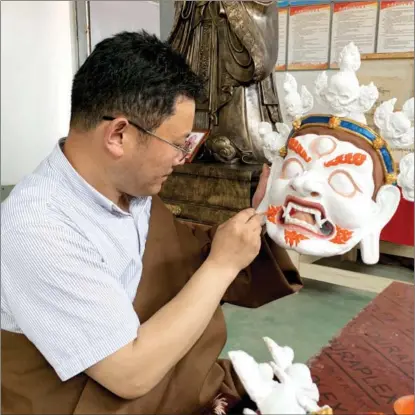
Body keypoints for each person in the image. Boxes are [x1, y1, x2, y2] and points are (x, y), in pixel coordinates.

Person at [1, 31, 302, 414]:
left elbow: (172, 255)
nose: (182, 158)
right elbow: (130, 374)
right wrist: (223, 264)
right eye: (178, 144)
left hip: (173, 382)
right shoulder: (37, 229)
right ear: (119, 135)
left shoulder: (129, 187)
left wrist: (263, 218)